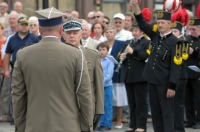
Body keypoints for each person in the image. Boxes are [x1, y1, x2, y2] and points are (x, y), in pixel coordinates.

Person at [11, 7, 93, 132]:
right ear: (61, 30)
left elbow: (17, 96)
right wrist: (86, 126)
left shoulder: (23, 55)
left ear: (39, 30)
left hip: (34, 125)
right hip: (68, 125)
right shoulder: (76, 54)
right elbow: (85, 95)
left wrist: (21, 126)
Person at [130, 0, 182, 131]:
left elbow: (176, 66)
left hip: (165, 83)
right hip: (152, 80)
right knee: (155, 113)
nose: (160, 25)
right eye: (158, 23)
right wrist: (136, 8)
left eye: (163, 23)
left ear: (169, 24)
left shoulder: (177, 43)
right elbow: (142, 24)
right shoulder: (155, 36)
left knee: (167, 112)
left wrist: (172, 86)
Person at [62, 16, 104, 130]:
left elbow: (99, 85)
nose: (72, 36)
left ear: (81, 34)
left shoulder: (92, 55)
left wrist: (99, 110)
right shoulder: (58, 56)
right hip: (64, 106)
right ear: (63, 35)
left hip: (86, 106)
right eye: (68, 33)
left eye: (75, 32)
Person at [120, 25, 150, 132]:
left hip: (140, 76)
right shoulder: (129, 42)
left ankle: (141, 126)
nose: (133, 33)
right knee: (131, 102)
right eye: (133, 30)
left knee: (140, 102)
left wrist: (133, 52)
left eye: (136, 30)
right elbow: (123, 57)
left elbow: (146, 57)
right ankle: (132, 124)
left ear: (142, 32)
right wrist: (122, 57)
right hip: (129, 75)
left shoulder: (146, 42)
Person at [171, 9, 189, 132]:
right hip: (172, 76)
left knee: (178, 104)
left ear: (180, 32)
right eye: (171, 31)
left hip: (181, 77)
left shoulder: (183, 42)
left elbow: (181, 59)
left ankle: (179, 128)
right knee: (171, 104)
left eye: (175, 31)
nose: (173, 33)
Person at [184, 18, 200, 129]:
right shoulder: (187, 38)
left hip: (198, 74)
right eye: (190, 29)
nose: (191, 31)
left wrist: (194, 52)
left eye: (194, 29)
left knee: (197, 99)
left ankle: (198, 120)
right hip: (187, 73)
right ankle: (190, 120)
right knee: (187, 98)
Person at [97, 42, 114, 131]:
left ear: (107, 51)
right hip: (99, 87)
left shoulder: (110, 61)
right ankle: (102, 123)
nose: (101, 52)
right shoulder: (97, 60)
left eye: (104, 49)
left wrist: (100, 83)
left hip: (107, 86)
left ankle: (107, 124)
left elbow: (109, 75)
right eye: (100, 50)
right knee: (101, 106)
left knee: (107, 106)